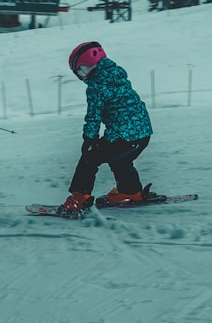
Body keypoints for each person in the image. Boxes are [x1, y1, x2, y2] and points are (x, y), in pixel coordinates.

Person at [59, 41, 155, 218]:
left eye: (80, 71)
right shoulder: (116, 74)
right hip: (142, 135)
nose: (81, 76)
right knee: (120, 159)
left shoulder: (96, 85)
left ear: (86, 67)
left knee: (90, 158)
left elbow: (93, 116)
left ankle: (79, 198)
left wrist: (89, 139)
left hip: (126, 136)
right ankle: (130, 191)